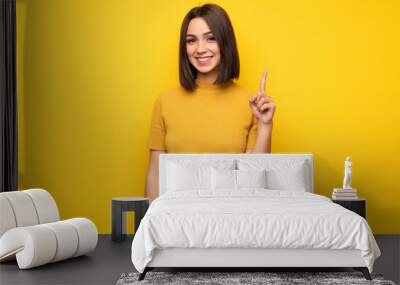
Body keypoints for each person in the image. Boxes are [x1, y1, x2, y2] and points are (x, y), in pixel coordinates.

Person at [145, 4, 276, 202]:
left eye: (211, 38)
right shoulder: (165, 101)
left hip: (231, 216)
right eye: (191, 41)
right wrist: (149, 224)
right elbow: (155, 174)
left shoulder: (250, 104)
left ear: (225, 42)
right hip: (177, 218)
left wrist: (265, 124)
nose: (200, 49)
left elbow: (254, 179)